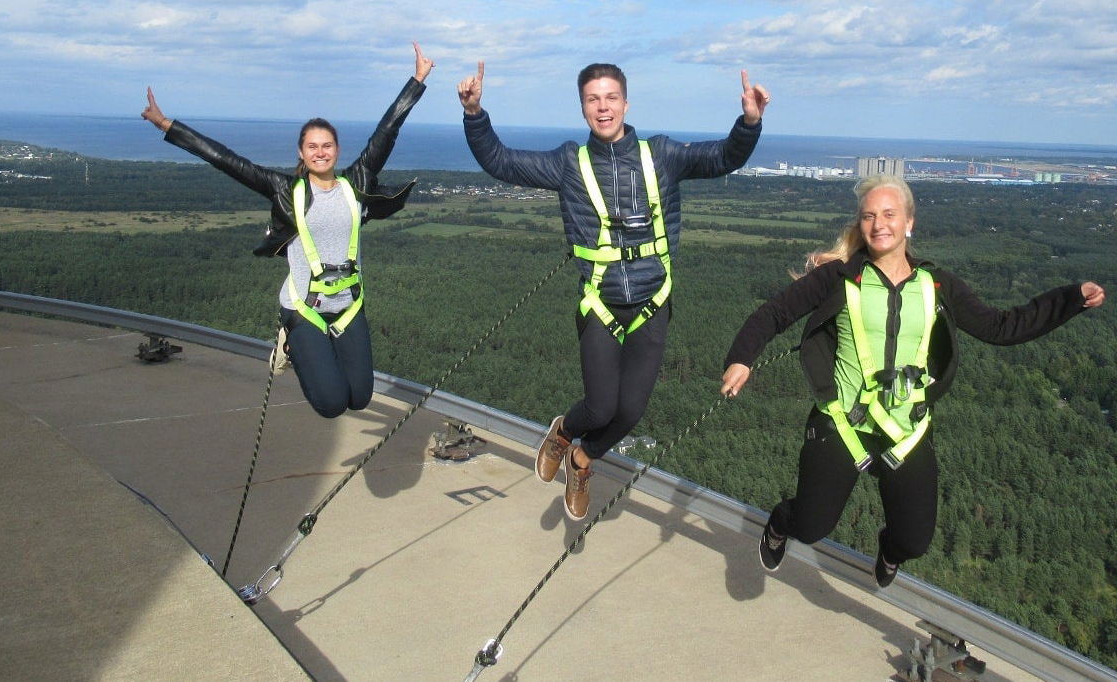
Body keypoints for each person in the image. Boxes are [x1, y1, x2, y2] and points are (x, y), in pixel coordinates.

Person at [720, 175, 1106, 587]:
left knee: (913, 540)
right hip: (843, 422)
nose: (878, 224)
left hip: (907, 427)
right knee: (811, 526)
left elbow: (1001, 326)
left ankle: (891, 549)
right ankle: (781, 523)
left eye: (889, 214)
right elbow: (773, 314)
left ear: (910, 223)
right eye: (869, 216)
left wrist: (1071, 299)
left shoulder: (936, 285)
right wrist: (741, 359)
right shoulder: (838, 279)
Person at [457, 61, 768, 520]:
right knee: (600, 407)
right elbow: (501, 162)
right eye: (592, 99)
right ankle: (565, 431)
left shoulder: (660, 154)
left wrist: (749, 123)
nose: (602, 108)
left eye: (610, 98)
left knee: (630, 412)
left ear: (625, 101)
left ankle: (582, 459)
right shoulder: (568, 163)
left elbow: (723, 158)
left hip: (652, 301)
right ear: (583, 106)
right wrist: (474, 113)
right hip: (600, 301)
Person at [141, 43, 434, 418]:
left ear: (338, 150)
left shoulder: (355, 181)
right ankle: (292, 346)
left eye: (327, 145)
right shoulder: (284, 190)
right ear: (301, 152)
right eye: (312, 146)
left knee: (359, 398)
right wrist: (167, 125)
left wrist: (418, 79)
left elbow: (386, 131)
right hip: (303, 306)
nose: (320, 152)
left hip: (348, 304)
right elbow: (226, 160)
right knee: (331, 405)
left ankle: (319, 355)